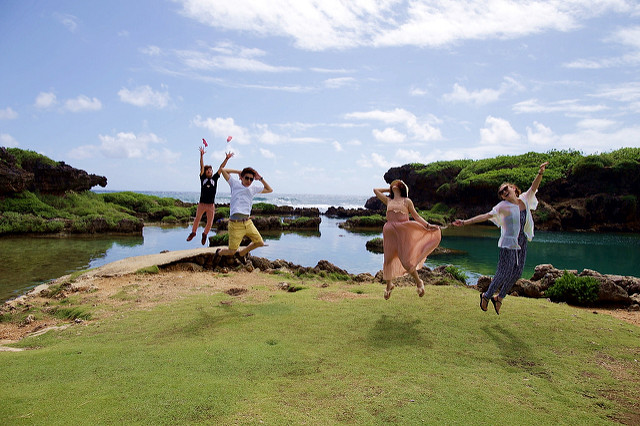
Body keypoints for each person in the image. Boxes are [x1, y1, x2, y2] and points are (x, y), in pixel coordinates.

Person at [452, 162, 549, 314]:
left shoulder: (524, 199)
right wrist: (465, 222)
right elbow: (486, 216)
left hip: (521, 241)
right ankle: (486, 295)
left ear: (513, 188)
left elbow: (534, 187)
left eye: (506, 189)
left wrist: (540, 172)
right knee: (503, 272)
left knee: (517, 273)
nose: (504, 192)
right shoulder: (502, 206)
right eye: (501, 192)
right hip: (508, 243)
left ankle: (499, 298)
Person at [373, 180, 442, 300]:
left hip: (403, 233)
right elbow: (375, 190)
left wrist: (427, 225)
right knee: (388, 259)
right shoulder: (389, 200)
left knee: (405, 260)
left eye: (398, 184)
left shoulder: (407, 201)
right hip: (389, 232)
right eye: (393, 184)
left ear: (402, 188)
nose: (395, 184)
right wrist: (388, 189)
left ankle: (419, 282)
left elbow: (416, 216)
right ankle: (389, 285)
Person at [214, 166, 273, 262]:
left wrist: (260, 179)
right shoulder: (234, 184)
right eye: (246, 178)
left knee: (260, 242)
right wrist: (239, 171)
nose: (249, 181)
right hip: (235, 224)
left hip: (248, 223)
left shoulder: (253, 188)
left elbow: (270, 189)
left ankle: (241, 253)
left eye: (251, 179)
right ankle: (219, 252)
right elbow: (223, 170)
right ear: (241, 177)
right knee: (231, 251)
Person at [187, 148, 234, 245]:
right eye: (207, 170)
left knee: (210, 222)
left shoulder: (215, 178)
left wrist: (227, 159)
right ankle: (193, 232)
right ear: (205, 172)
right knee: (197, 219)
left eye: (210, 170)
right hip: (202, 204)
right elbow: (201, 166)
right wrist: (201, 156)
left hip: (211, 205)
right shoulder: (202, 178)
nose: (209, 171)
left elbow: (221, 168)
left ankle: (205, 234)